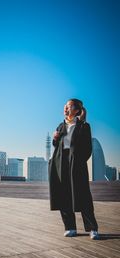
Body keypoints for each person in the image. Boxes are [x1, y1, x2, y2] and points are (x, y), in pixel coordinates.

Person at [49, 98, 99, 239]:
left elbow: (88, 148)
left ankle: (92, 228)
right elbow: (56, 145)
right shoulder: (60, 125)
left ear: (77, 110)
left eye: (69, 106)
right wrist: (55, 138)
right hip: (60, 162)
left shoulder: (84, 126)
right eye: (65, 106)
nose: (66, 108)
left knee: (83, 195)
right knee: (63, 194)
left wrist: (79, 161)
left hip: (76, 163)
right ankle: (70, 227)